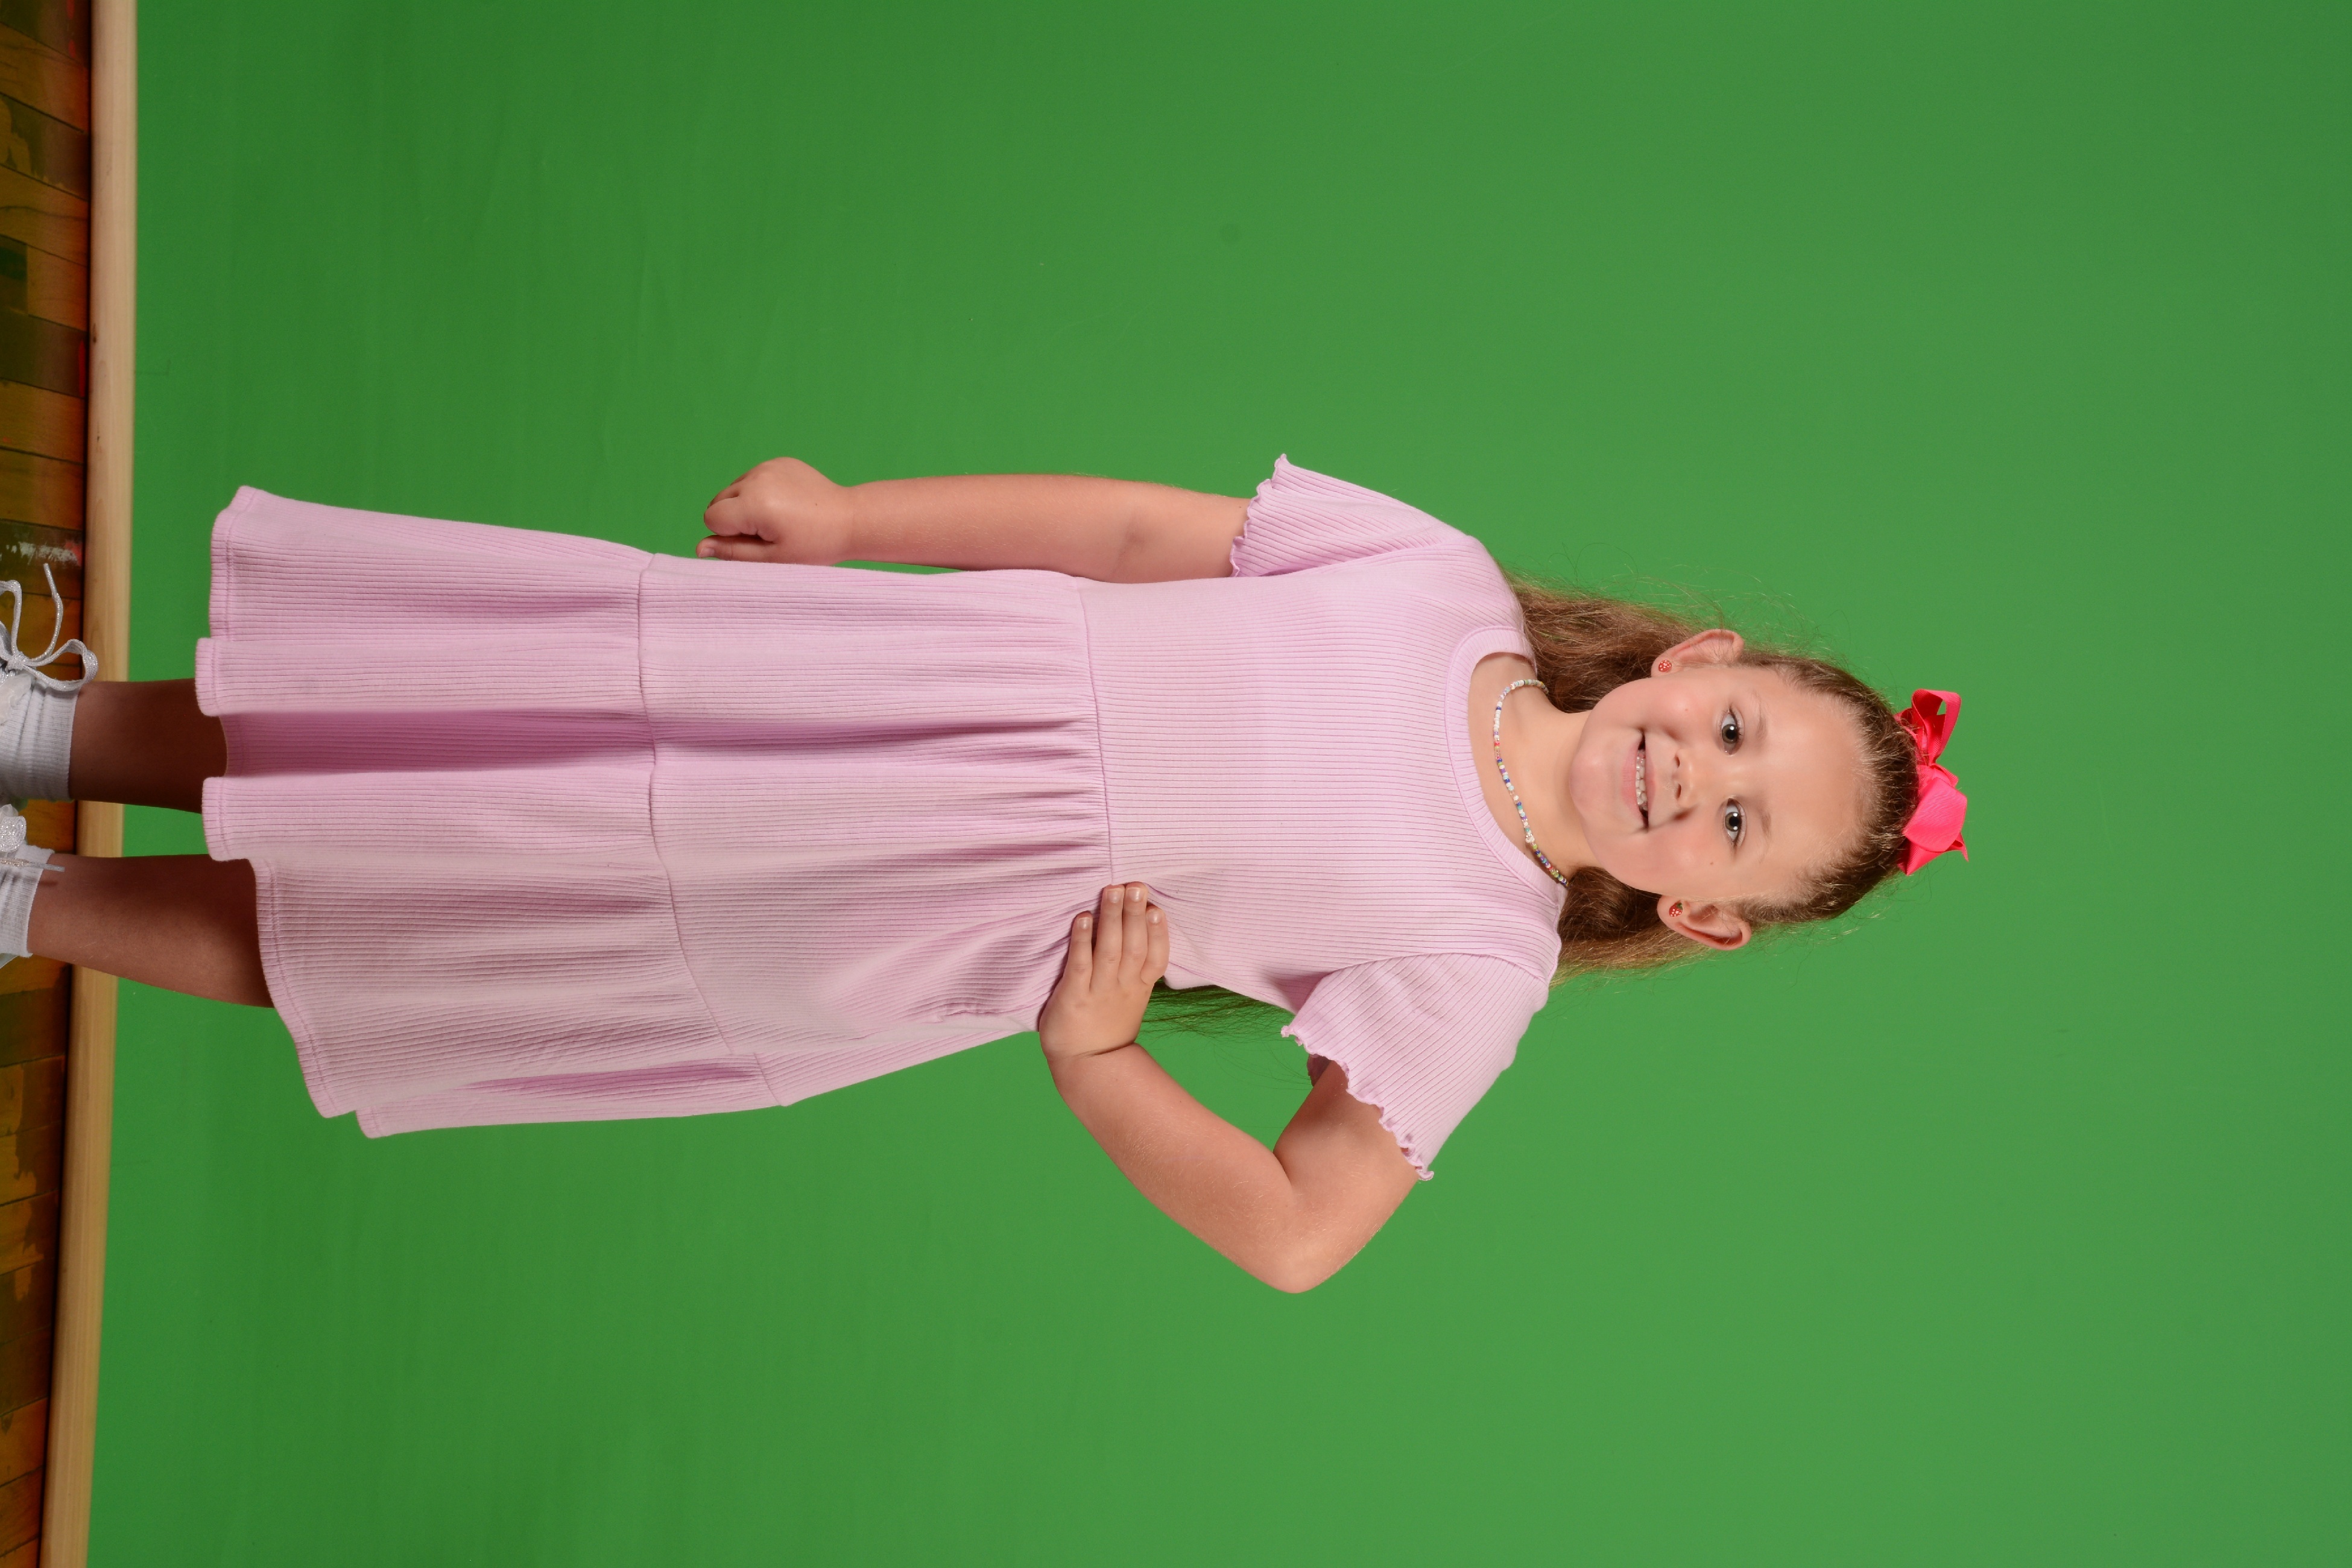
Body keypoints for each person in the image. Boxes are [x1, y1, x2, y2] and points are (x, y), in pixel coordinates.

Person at [0, 457, 1968, 1291]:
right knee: (444, 724)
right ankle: (45, 737)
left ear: (1702, 913)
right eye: (1732, 734)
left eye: (1735, 828)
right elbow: (1123, 532)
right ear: (1698, 664)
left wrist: (1100, 1065)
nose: (1692, 780)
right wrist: (854, 517)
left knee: (439, 905)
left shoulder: (1475, 955)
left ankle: (29, 902)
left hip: (848, 906)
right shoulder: (1429, 580)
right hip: (828, 681)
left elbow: (1302, 1231)